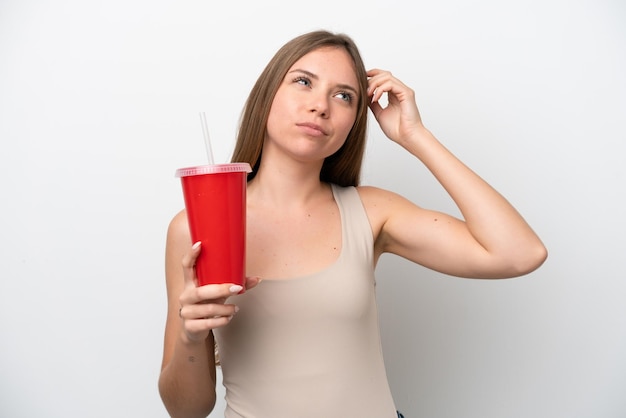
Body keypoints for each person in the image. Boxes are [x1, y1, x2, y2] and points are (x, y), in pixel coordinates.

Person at [158, 30, 547, 418]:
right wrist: (192, 336)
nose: (320, 106)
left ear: (353, 122)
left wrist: (415, 135)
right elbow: (185, 411)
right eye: (303, 81)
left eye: (343, 95)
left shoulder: (372, 211)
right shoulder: (195, 228)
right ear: (267, 96)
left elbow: (519, 253)